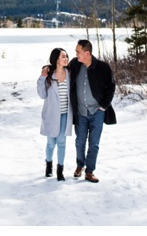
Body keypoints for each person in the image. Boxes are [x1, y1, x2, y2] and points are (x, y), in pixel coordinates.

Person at [69, 39, 116, 183]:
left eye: (78, 52)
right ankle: (79, 165)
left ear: (87, 53)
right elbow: (60, 68)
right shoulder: (75, 64)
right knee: (80, 141)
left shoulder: (103, 67)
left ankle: (89, 171)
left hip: (97, 112)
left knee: (94, 143)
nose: (76, 54)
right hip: (81, 112)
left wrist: (103, 106)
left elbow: (111, 87)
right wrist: (47, 69)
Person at [36, 47, 72, 181]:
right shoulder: (49, 75)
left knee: (62, 141)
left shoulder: (70, 73)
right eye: (63, 56)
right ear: (56, 59)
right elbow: (42, 94)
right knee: (51, 142)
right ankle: (48, 165)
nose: (66, 59)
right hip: (51, 114)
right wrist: (42, 77)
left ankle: (60, 169)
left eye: (67, 56)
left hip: (65, 114)